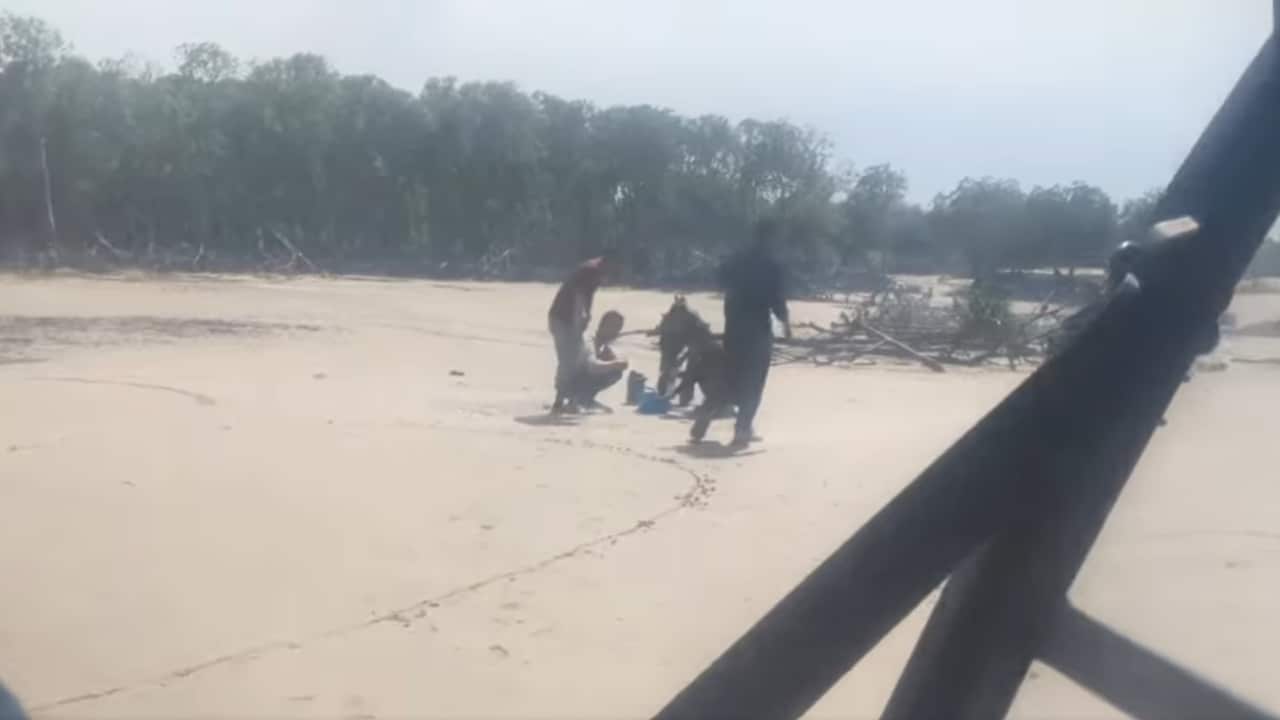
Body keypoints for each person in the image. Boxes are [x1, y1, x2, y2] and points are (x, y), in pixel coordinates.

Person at [716, 218, 791, 447]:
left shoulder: (737, 259)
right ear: (771, 237)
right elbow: (776, 299)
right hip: (757, 329)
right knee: (754, 379)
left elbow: (720, 278)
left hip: (733, 325)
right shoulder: (772, 265)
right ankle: (742, 427)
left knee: (734, 373)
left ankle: (720, 413)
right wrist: (786, 323)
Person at [547, 254, 617, 413]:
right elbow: (578, 297)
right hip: (564, 320)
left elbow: (585, 297)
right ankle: (562, 402)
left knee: (572, 359)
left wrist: (584, 319)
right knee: (568, 361)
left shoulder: (594, 270)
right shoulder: (591, 271)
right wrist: (580, 321)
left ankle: (568, 400)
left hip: (566, 320)